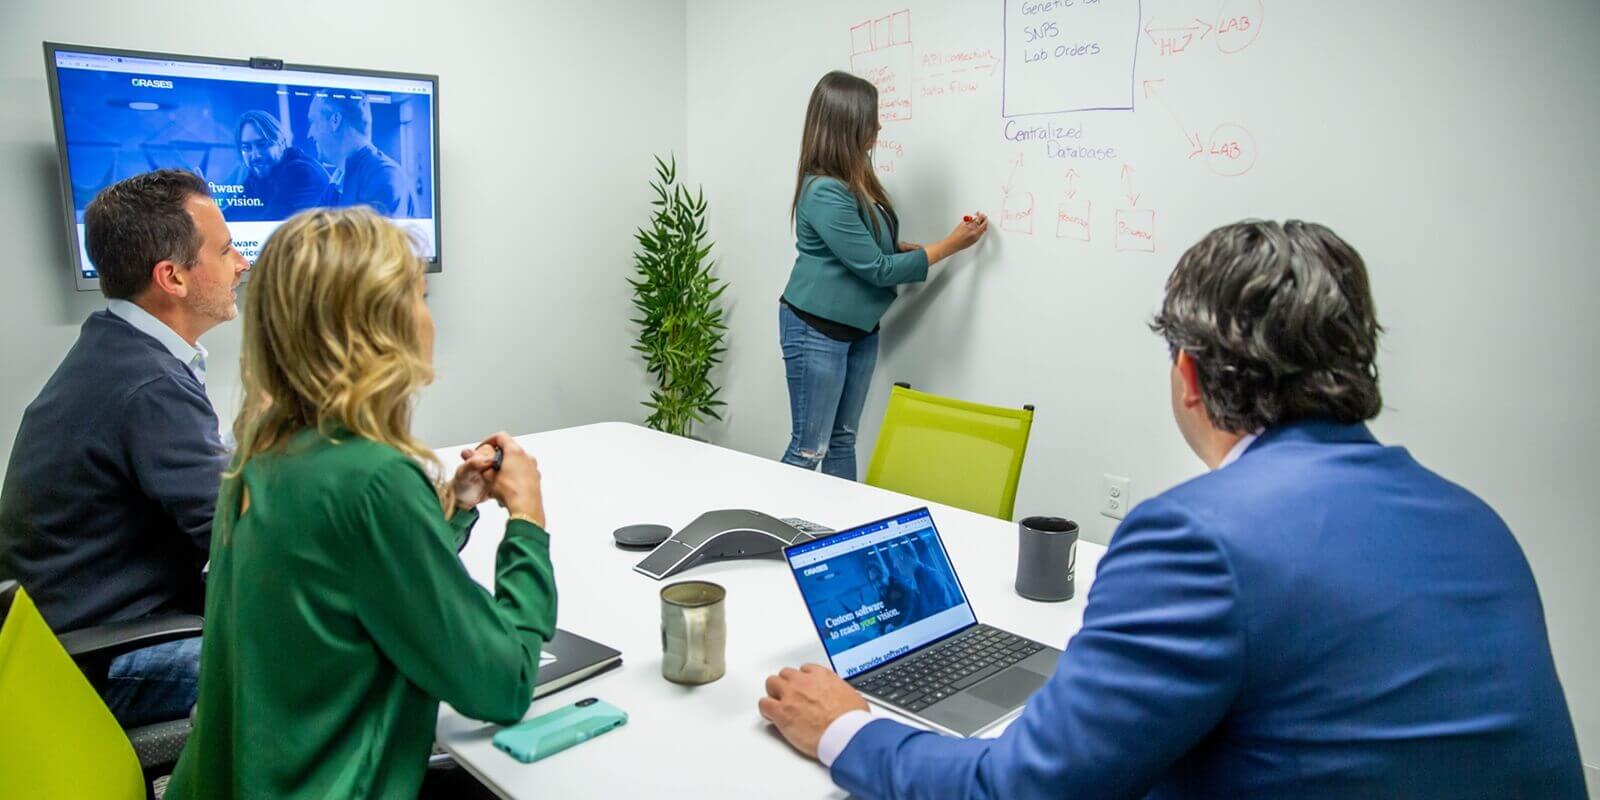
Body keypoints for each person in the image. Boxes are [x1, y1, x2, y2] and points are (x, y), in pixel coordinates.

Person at [758, 220, 1586, 798]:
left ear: (1187, 376)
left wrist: (847, 730)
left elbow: (1020, 791)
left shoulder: (1196, 536)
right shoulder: (1474, 521)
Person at [165, 207, 556, 798]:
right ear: (377, 326)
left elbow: (348, 572)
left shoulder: (262, 453)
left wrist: (455, 505)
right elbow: (504, 684)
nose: (430, 319)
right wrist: (527, 521)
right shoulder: (373, 479)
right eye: (420, 297)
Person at [0, 169, 247, 727]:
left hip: (76, 633)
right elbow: (240, 529)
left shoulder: (119, 350)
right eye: (228, 249)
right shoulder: (149, 385)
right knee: (318, 658)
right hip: (102, 657)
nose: (242, 264)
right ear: (173, 278)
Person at [779, 70, 988, 480]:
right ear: (847, 126)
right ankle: (768, 538)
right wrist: (949, 245)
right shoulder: (824, 190)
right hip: (815, 329)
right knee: (809, 449)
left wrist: (899, 248)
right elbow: (875, 269)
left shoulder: (856, 181)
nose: (878, 126)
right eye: (870, 119)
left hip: (859, 329)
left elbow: (866, 247)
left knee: (841, 442)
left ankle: (841, 534)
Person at [306, 92, 418, 217]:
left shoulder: (383, 176)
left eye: (313, 122)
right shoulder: (340, 176)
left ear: (335, 121)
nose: (310, 134)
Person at [234, 110, 333, 220]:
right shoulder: (256, 177)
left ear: (281, 142)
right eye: (246, 148)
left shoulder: (300, 172)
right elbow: (231, 215)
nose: (255, 155)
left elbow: (272, 221)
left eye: (262, 144)